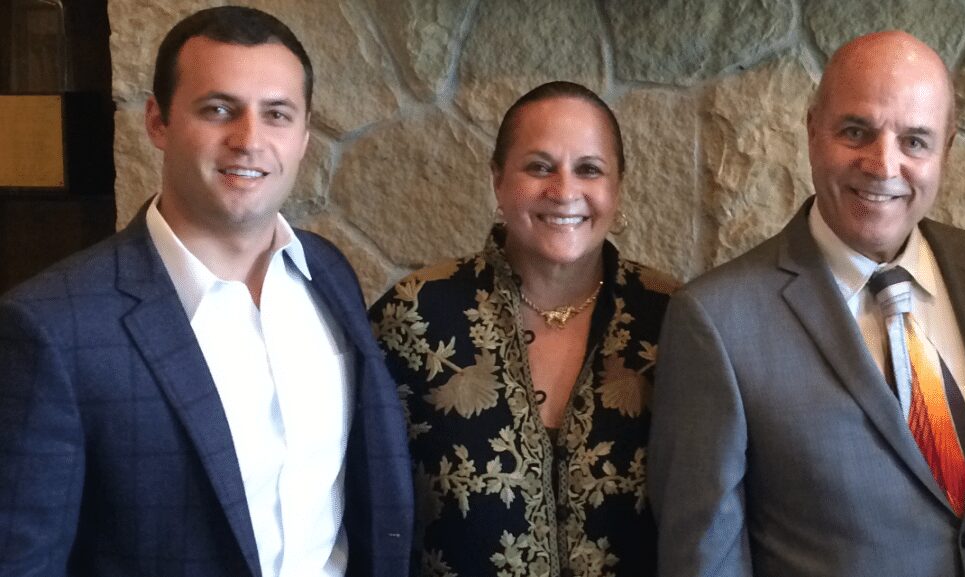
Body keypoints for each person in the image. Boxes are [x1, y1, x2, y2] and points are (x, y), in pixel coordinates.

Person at [0, 7, 411, 576]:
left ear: (305, 134)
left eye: (277, 114)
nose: (249, 140)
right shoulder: (50, 328)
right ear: (157, 122)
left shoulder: (328, 273)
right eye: (219, 109)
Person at [649, 30, 965, 577]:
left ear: (946, 149)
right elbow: (704, 559)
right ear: (811, 131)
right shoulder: (716, 321)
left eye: (915, 141)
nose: (882, 164)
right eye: (856, 131)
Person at [369, 81, 679, 576]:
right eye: (538, 167)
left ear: (617, 187)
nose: (563, 191)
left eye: (589, 169)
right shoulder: (414, 316)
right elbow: (367, 505)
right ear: (497, 180)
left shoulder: (674, 318)